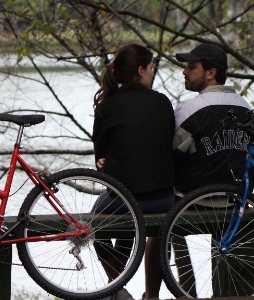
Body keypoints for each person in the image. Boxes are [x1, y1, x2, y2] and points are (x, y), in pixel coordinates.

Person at [92, 44, 175, 300]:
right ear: (140, 70)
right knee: (156, 229)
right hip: (164, 197)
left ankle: (116, 286)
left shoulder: (107, 106)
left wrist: (106, 161)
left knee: (94, 224)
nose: (152, 73)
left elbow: (100, 156)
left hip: (124, 200)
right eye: (150, 68)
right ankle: (148, 295)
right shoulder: (162, 102)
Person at [173, 43, 254, 197]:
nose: (184, 71)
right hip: (237, 203)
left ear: (211, 73)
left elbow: (171, 152)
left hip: (193, 203)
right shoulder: (244, 107)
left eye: (192, 67)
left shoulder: (188, 109)